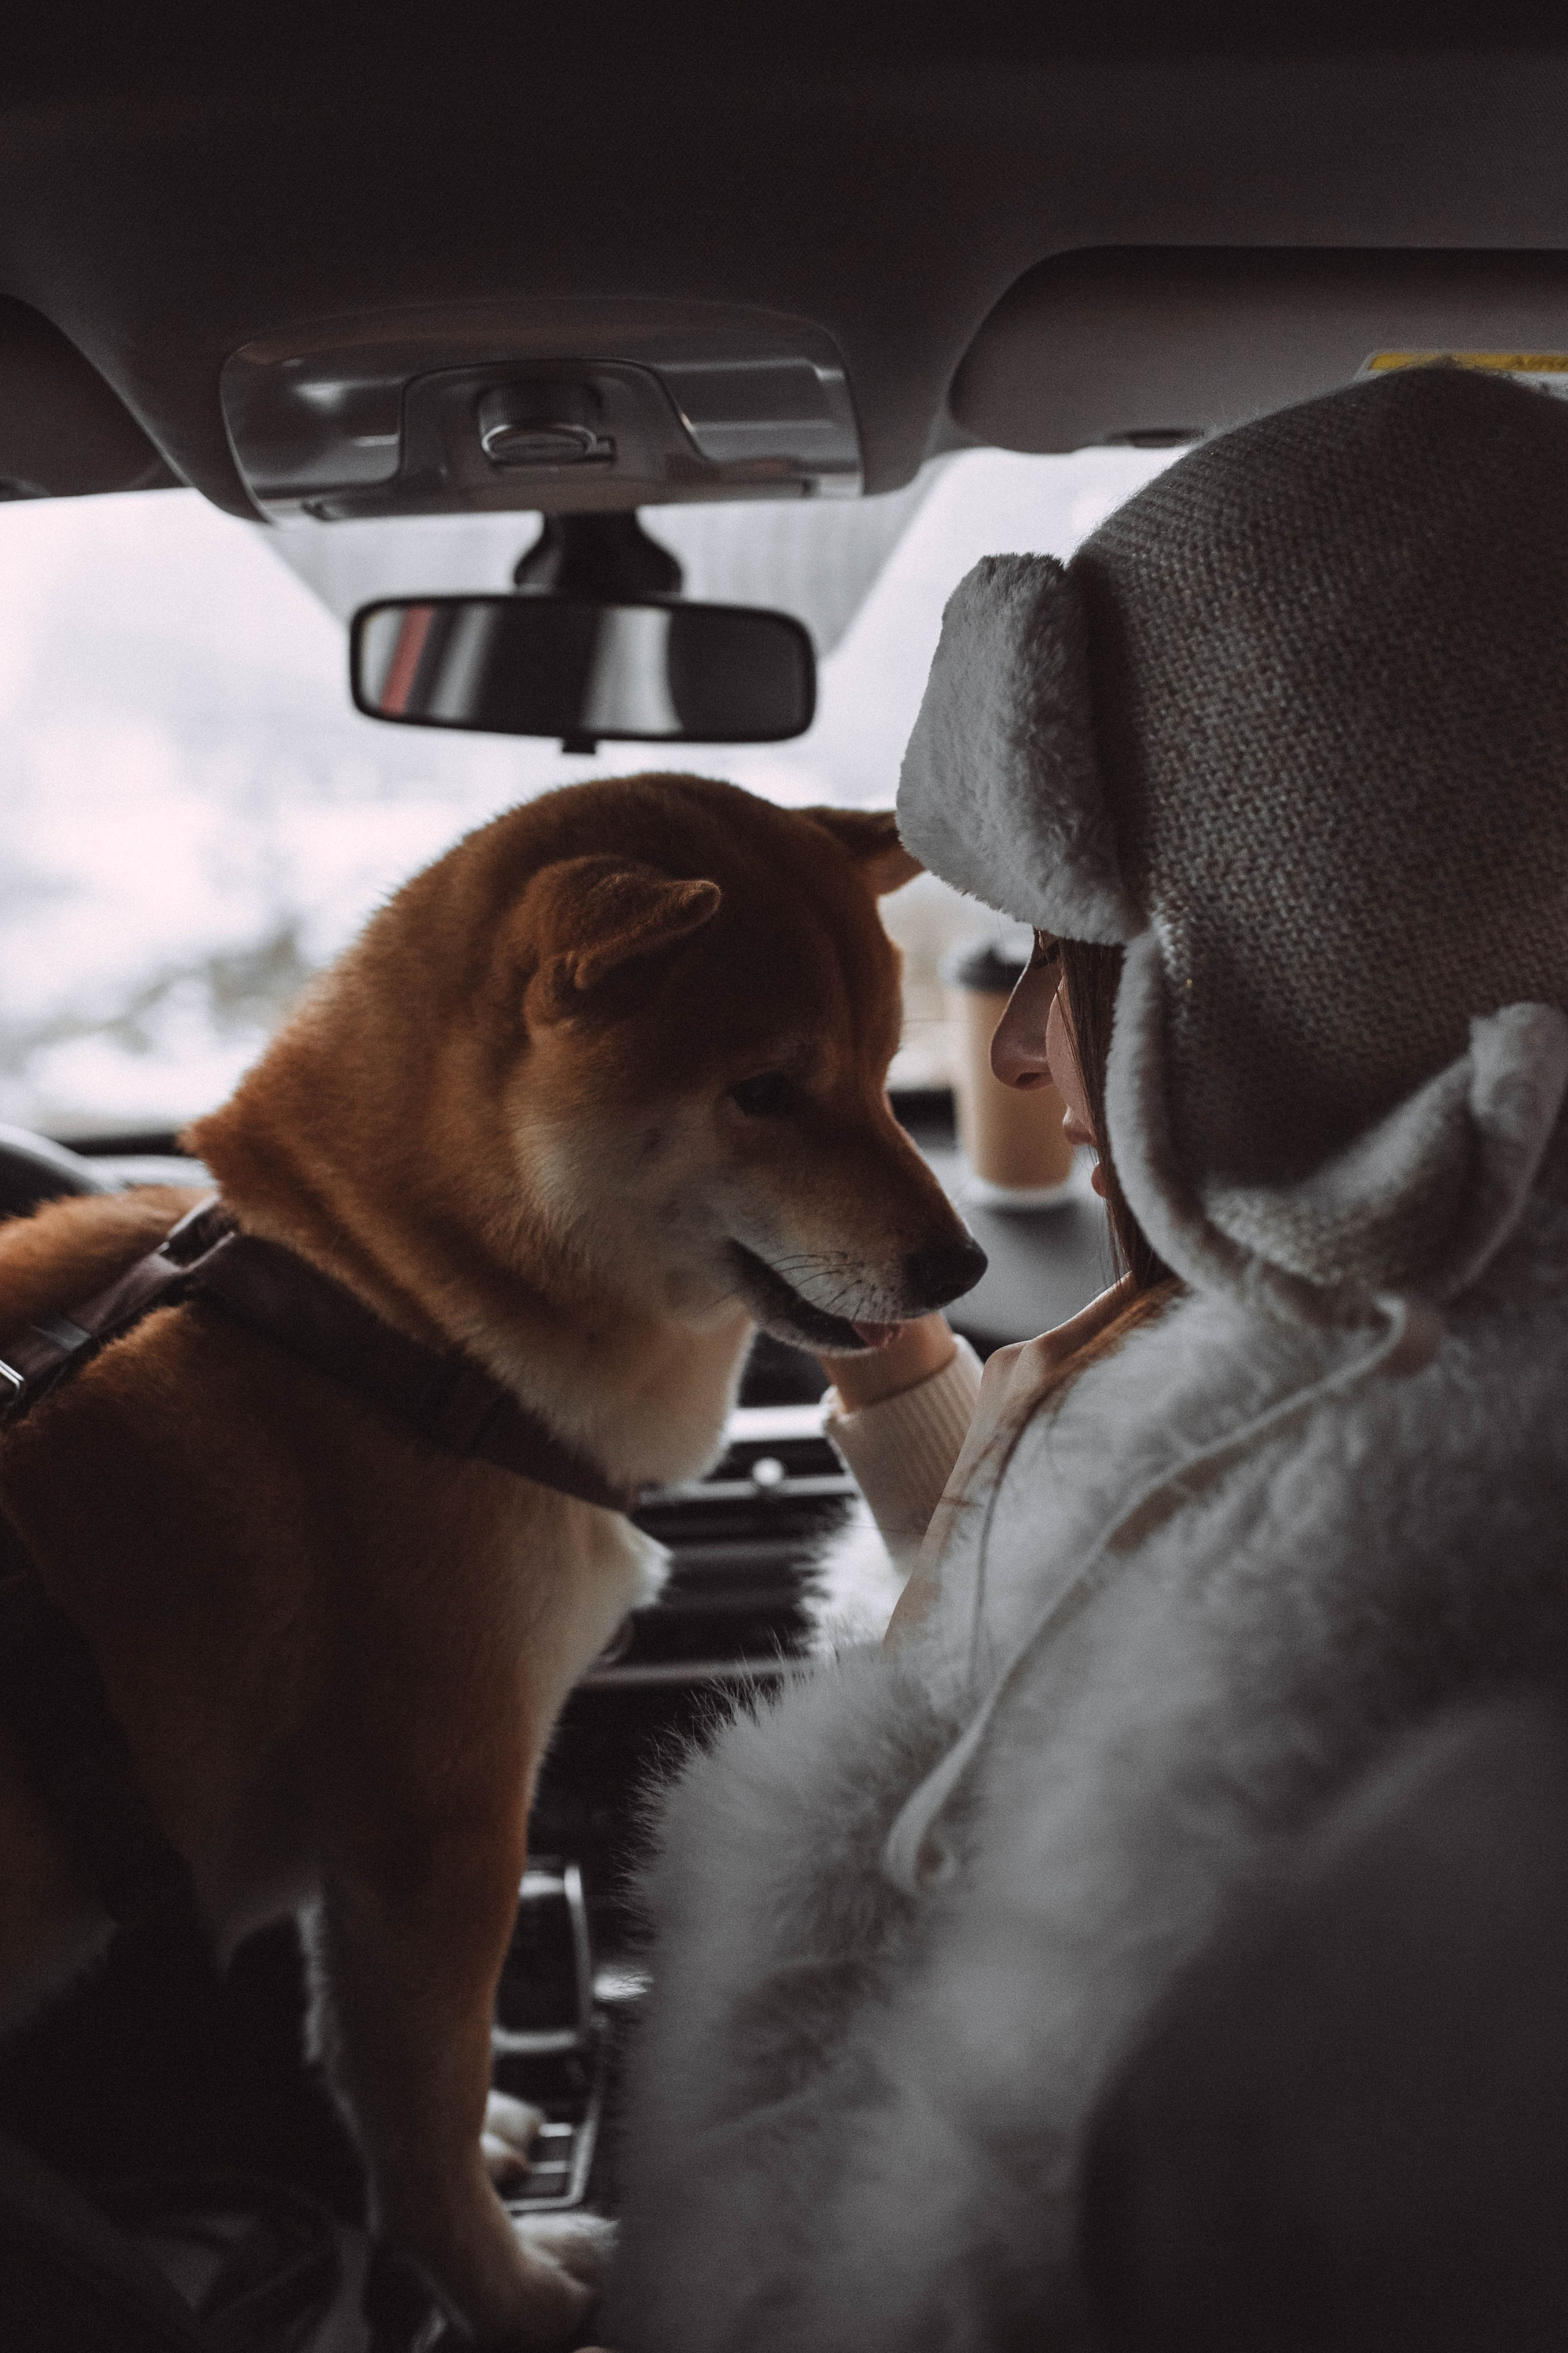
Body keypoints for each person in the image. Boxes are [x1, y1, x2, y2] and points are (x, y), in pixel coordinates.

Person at [603, 361, 1568, 2352]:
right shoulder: (1360, 1393)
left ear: (1346, 924)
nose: (1032, 1043)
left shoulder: (1349, 1573)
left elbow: (952, 2269)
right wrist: (903, 1381)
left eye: (1079, 953)